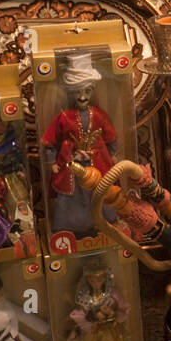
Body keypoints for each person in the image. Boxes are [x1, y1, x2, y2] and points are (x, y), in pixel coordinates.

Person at [40, 53, 118, 238]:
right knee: (71, 197)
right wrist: (53, 162)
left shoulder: (98, 115)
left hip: (96, 163)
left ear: (92, 91)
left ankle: (102, 224)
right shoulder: (64, 117)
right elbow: (50, 141)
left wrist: (113, 154)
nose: (82, 97)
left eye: (87, 92)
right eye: (78, 92)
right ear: (71, 92)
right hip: (72, 166)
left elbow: (111, 138)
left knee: (100, 192)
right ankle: (72, 227)